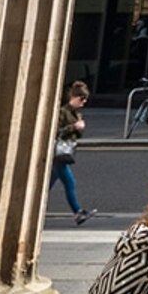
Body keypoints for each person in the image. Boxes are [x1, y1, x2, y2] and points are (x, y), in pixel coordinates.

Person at [48, 81, 91, 224]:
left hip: (66, 152)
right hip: (59, 153)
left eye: (85, 99)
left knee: (48, 184)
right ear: (73, 97)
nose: (84, 102)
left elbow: (77, 136)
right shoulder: (62, 112)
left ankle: (36, 205)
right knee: (70, 183)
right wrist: (74, 127)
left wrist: (79, 129)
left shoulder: (77, 114)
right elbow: (56, 131)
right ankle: (78, 212)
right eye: (82, 99)